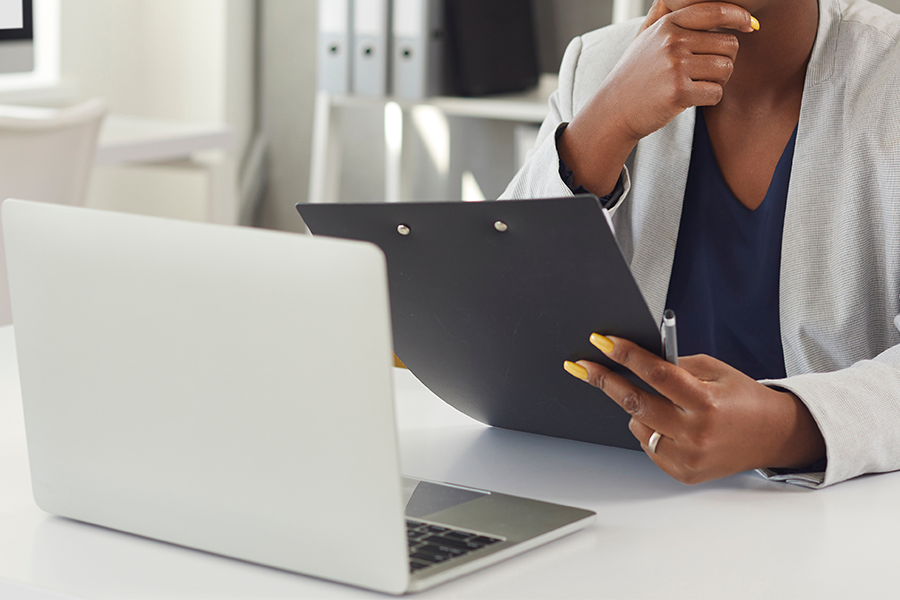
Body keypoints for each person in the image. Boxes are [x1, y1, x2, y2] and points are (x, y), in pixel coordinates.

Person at [501, 0, 900, 488]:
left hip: (841, 524)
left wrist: (785, 427)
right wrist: (606, 122)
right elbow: (496, 315)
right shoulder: (598, 63)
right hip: (626, 499)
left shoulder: (889, 75)